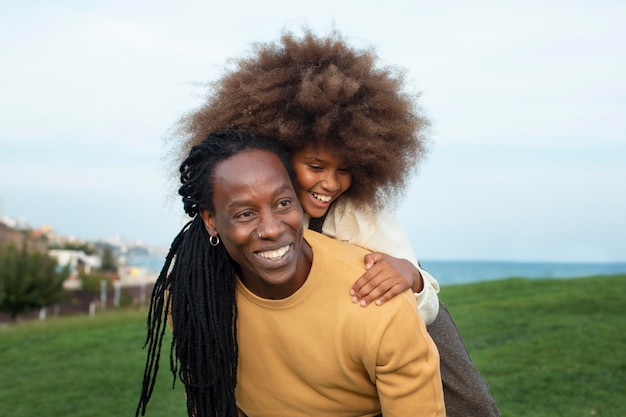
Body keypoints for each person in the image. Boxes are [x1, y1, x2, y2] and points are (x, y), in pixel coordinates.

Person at [171, 30, 499, 416]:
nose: (330, 183)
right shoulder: (234, 209)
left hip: (400, 291)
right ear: (277, 152)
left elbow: (419, 300)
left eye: (344, 169)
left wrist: (411, 277)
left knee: (471, 402)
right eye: (315, 166)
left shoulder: (362, 216)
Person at [137, 129, 445, 417]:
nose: (271, 228)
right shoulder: (195, 297)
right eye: (246, 213)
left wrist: (412, 278)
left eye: (283, 203)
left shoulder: (375, 285)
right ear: (210, 220)